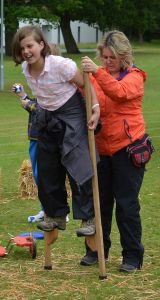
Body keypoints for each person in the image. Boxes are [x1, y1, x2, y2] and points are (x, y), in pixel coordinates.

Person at [11, 25, 100, 236]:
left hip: (72, 113)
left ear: (42, 45)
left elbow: (85, 86)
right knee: (46, 167)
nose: (26, 51)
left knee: (77, 163)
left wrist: (95, 109)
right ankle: (56, 215)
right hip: (47, 117)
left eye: (30, 46)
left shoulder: (61, 65)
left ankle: (88, 218)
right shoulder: (26, 68)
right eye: (22, 48)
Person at [81, 30, 151, 272]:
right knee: (100, 203)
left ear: (124, 56)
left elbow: (119, 92)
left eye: (112, 58)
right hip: (101, 148)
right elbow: (87, 97)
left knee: (126, 204)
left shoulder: (135, 76)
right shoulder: (94, 78)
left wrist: (96, 73)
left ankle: (132, 255)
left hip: (128, 148)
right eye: (104, 57)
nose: (107, 62)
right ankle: (97, 250)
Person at [12, 44, 69, 223]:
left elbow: (40, 111)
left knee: (49, 177)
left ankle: (58, 212)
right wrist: (23, 94)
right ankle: (46, 210)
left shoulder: (54, 87)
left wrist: (23, 99)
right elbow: (37, 107)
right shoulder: (40, 83)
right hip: (36, 138)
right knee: (39, 177)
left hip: (48, 139)